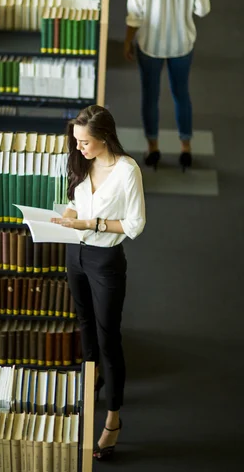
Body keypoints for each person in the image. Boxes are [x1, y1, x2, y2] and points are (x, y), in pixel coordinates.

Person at [51, 105, 146, 461]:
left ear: (104, 137)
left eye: (85, 142)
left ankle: (113, 417)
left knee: (109, 337)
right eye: (76, 142)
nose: (79, 149)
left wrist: (93, 224)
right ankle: (93, 381)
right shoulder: (81, 162)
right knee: (84, 324)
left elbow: (136, 224)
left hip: (105, 261)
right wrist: (68, 217)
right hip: (74, 254)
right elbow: (76, 202)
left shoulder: (127, 172)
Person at [124, 0, 213, 171]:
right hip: (182, 44)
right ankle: (186, 148)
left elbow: (135, 12)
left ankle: (153, 149)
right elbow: (202, 9)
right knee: (181, 95)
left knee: (149, 97)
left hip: (150, 44)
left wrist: (128, 41)